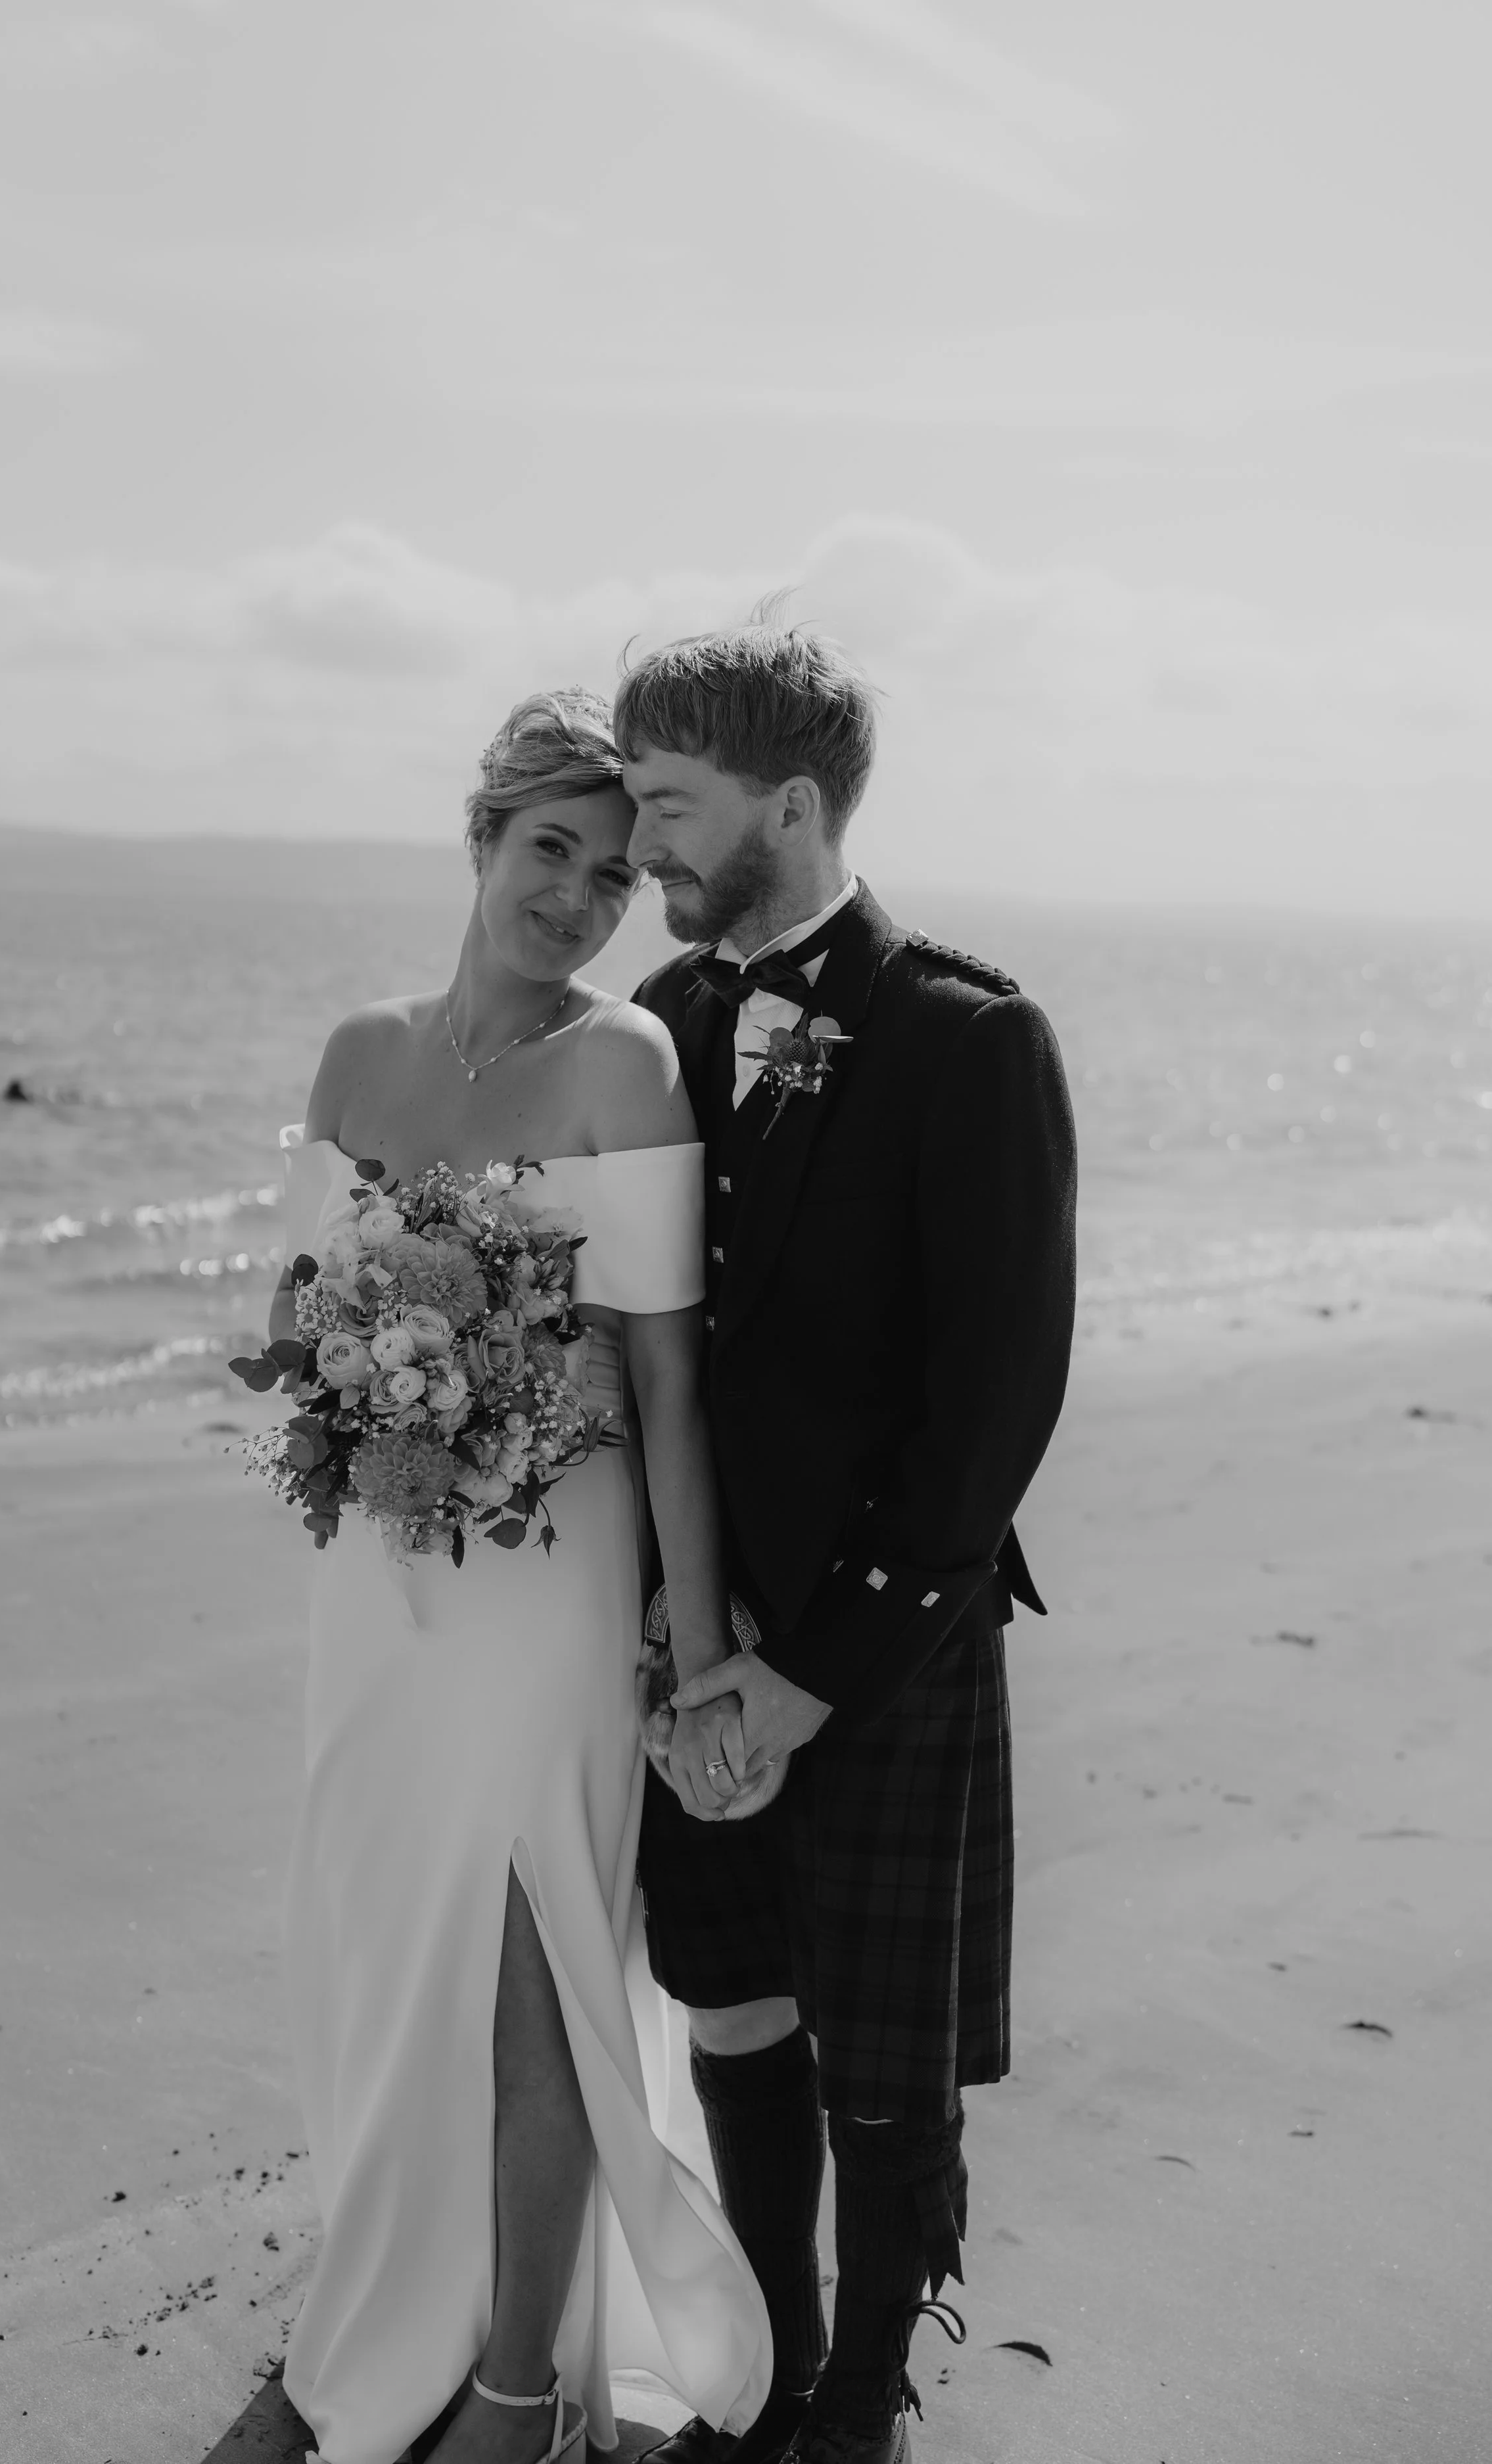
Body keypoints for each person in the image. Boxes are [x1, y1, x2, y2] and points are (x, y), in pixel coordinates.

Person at [270, 689, 771, 2464]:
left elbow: (664, 1374)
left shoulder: (620, 1060)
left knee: (531, 1960)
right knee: (380, 1948)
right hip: (378, 1577)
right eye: (549, 851)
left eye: (616, 875)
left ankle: (511, 2386)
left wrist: (698, 1655)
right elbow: (293, 1315)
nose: (575, 896)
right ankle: (365, 2313)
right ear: (481, 840)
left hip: (550, 1570)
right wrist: (357, 1368)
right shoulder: (355, 1052)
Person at [619, 626, 1079, 2464]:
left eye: (671, 804)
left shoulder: (968, 1036)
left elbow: (992, 1408)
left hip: (878, 1634)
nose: (643, 840)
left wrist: (804, 1674)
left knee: (879, 2046)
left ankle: (865, 2388)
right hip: (683, 1616)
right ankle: (766, 2364)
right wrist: (672, 1607)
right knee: (728, 1985)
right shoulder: (659, 1025)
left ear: (790, 803)